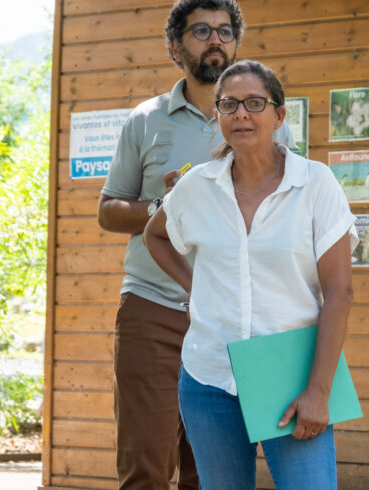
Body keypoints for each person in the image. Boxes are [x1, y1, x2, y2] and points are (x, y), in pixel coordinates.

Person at [97, 0, 292, 490]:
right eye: (201, 31)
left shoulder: (265, 123)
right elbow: (109, 210)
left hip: (231, 314)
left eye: (225, 32)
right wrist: (165, 206)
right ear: (175, 46)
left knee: (214, 471)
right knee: (145, 463)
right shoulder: (145, 120)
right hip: (153, 307)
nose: (215, 41)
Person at [143, 59, 357, 489]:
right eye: (229, 104)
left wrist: (318, 390)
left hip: (292, 375)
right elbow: (156, 236)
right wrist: (195, 289)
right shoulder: (196, 187)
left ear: (279, 115)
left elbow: (339, 292)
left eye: (255, 103)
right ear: (218, 116)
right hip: (209, 376)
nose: (241, 113)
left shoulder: (316, 184)